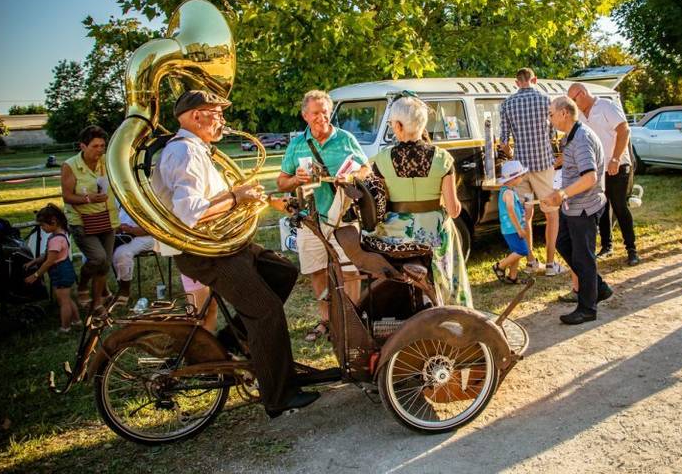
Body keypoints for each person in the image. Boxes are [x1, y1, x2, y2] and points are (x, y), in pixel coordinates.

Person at [152, 89, 318, 418]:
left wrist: (245, 198)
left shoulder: (196, 149)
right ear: (196, 116)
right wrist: (236, 198)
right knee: (265, 310)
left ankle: (229, 343)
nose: (223, 120)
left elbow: (211, 201)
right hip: (206, 252)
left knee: (282, 272)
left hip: (221, 245)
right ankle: (280, 395)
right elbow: (191, 214)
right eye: (216, 113)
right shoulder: (184, 153)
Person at [277, 90, 367, 343]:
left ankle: (352, 319)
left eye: (325, 112)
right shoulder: (296, 145)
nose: (321, 117)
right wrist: (297, 179)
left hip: (343, 217)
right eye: (315, 113)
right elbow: (282, 182)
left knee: (349, 269)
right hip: (310, 219)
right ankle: (326, 320)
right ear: (305, 115)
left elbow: (366, 168)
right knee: (316, 270)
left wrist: (352, 176)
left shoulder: (345, 138)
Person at [368, 94, 473, 307]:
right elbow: (453, 211)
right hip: (433, 236)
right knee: (447, 227)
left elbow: (379, 204)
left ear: (398, 125)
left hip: (396, 236)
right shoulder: (443, 158)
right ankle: (451, 302)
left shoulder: (381, 160)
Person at [541, 96, 612, 325]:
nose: (549, 119)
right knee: (563, 242)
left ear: (564, 113)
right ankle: (597, 287)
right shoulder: (573, 136)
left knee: (583, 256)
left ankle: (587, 308)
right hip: (573, 207)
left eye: (551, 114)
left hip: (584, 207)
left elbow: (590, 177)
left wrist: (562, 194)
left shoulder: (581, 138)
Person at [499, 68, 566, 276]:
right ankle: (550, 264)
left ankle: (529, 261)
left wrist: (512, 155)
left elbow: (503, 141)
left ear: (516, 82)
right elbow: (553, 133)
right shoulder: (546, 100)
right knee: (551, 213)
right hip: (543, 165)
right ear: (534, 80)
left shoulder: (507, 104)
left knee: (524, 215)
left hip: (520, 169)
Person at [569, 83, 640, 266]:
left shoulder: (606, 106)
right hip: (598, 168)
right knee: (601, 206)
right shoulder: (580, 116)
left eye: (574, 99)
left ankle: (631, 249)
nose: (573, 104)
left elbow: (624, 130)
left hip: (618, 164)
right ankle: (607, 246)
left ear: (583, 93)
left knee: (619, 206)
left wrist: (615, 158)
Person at [61, 125, 119, 310]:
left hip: (107, 218)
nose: (100, 150)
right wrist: (89, 198)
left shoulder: (108, 162)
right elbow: (67, 196)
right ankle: (83, 283)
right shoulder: (70, 166)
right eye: (95, 146)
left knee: (105, 263)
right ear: (83, 146)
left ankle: (97, 303)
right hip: (82, 221)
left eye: (102, 146)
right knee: (98, 258)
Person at [24, 204, 80, 332]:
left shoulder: (56, 240)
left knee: (63, 302)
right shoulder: (58, 234)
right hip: (63, 270)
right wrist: (34, 261)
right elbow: (46, 254)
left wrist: (35, 275)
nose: (42, 228)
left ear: (54, 222)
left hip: (60, 272)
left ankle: (65, 327)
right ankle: (77, 321)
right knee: (67, 298)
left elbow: (49, 261)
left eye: (43, 225)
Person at [492, 160, 531, 285]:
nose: (522, 178)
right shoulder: (508, 193)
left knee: (516, 251)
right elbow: (510, 211)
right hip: (512, 228)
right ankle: (500, 266)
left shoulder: (508, 190)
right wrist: (519, 229)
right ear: (514, 178)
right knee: (522, 251)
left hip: (512, 227)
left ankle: (512, 276)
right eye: (521, 176)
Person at [110, 205, 156, 306]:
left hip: (145, 237)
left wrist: (130, 230)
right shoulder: (119, 198)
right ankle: (104, 293)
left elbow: (152, 229)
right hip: (124, 236)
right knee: (97, 253)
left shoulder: (144, 199)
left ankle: (125, 291)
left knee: (122, 254)